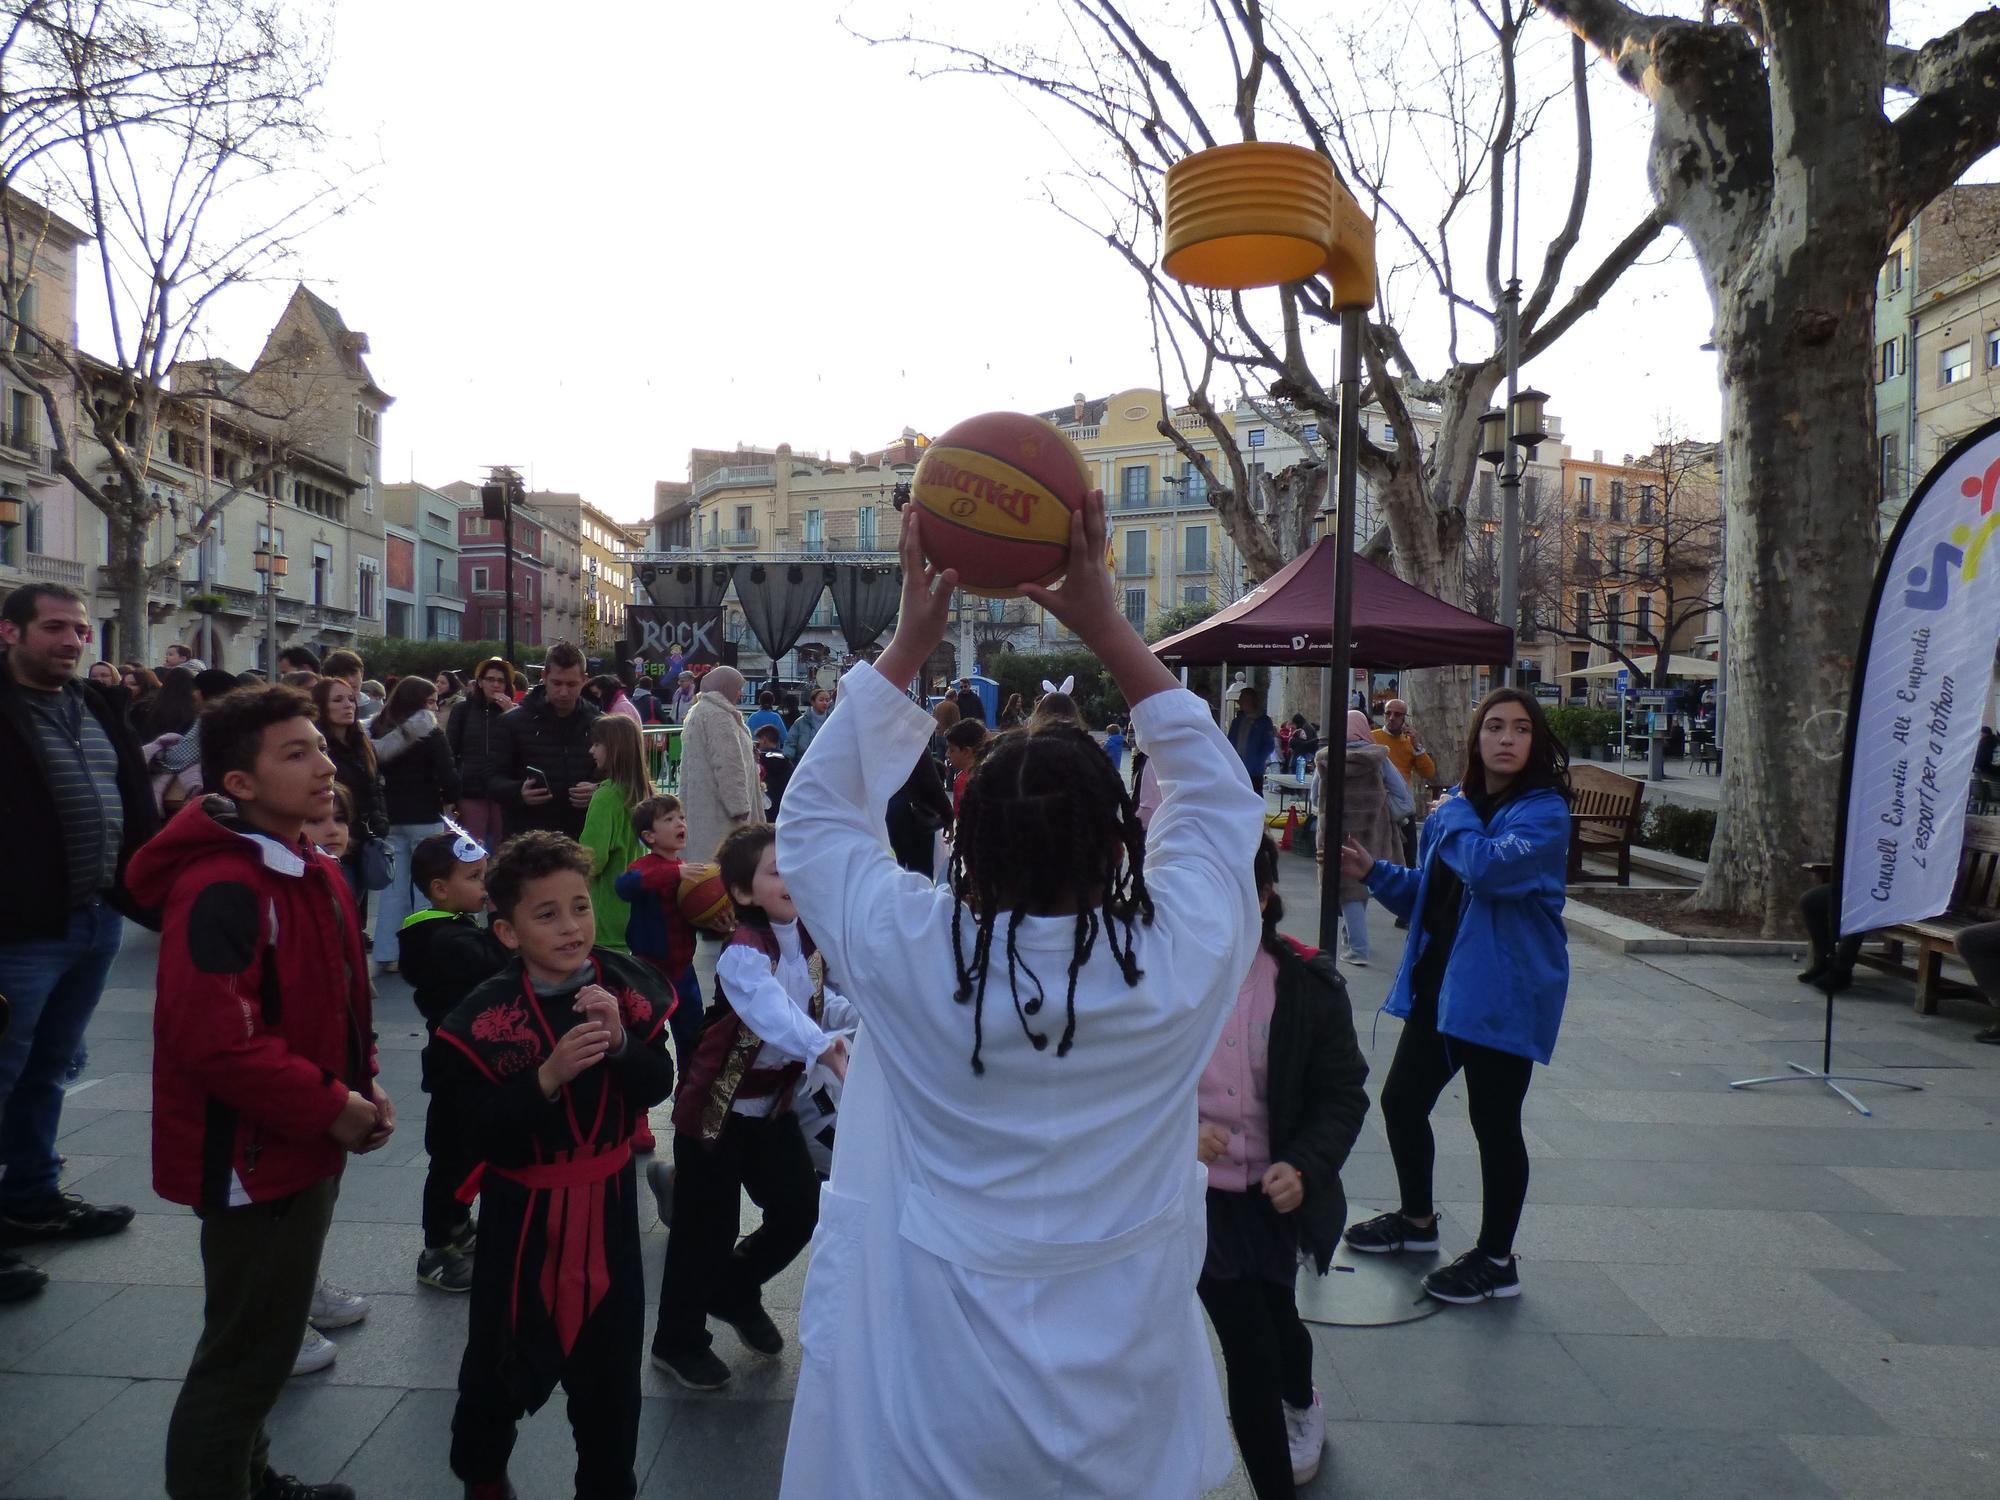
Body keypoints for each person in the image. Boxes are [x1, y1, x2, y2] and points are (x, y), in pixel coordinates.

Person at [774, 491, 1265, 1497]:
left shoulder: (914, 953)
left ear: (970, 841)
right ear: (1118, 841)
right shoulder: (1172, 962)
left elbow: (815, 820)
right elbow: (1218, 803)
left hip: (936, 1401)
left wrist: (908, 645)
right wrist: (1106, 625)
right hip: (1126, 1406)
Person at [128, 683, 389, 1500]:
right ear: (237, 783)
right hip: (251, 1153)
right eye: (296, 753)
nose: (322, 766)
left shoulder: (304, 864)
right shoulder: (225, 887)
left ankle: (251, 1475)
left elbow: (337, 992)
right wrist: (332, 1103)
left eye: (319, 746)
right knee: (244, 1354)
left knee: (266, 1336)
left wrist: (363, 1076)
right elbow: (215, 1041)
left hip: (299, 1138)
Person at [432, 832, 675, 1500]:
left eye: (580, 907)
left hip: (609, 1210)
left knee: (612, 1373)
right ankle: (483, 1475)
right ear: (508, 932)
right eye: (547, 915)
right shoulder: (483, 1017)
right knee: (497, 1362)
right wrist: (545, 1077)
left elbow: (658, 1082)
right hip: (523, 1221)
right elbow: (477, 1131)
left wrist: (624, 1043)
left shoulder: (624, 987)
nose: (572, 927)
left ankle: (607, 1484)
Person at [1337, 687, 1571, 1305]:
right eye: (1494, 727)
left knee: (1494, 1125)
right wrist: (1375, 873)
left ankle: (1497, 1260)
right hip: (1443, 991)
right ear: (1476, 739)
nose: (1505, 738)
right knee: (1401, 1102)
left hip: (1503, 995)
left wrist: (1455, 811)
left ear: (1536, 741)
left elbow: (1491, 872)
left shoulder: (1542, 814)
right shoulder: (1458, 814)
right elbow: (1435, 894)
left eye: (1521, 729)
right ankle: (1417, 1225)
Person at [651, 823, 856, 1392]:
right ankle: (677, 1341)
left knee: (799, 1209)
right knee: (702, 1232)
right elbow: (772, 1012)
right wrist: (824, 1048)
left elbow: (817, 1002)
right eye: (775, 869)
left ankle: (736, 1288)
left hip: (771, 1111)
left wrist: (864, 1015)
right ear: (743, 894)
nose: (790, 876)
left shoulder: (805, 944)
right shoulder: (743, 952)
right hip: (715, 1116)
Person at [1196, 836, 1369, 1498]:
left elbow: (1343, 1093)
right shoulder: (1153, 982)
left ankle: (1305, 1397)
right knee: (1249, 1347)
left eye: (1236, 890)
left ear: (1265, 897)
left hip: (1277, 1198)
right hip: (1198, 1199)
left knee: (1278, 1323)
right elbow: (1118, 1086)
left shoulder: (1306, 985)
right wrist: (1180, 1132)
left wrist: (1304, 1164)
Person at [0, 583, 157, 1305]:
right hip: (18, 931)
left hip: (94, 918)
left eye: (81, 630)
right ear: (11, 632)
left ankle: (31, 1197)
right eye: (55, 628)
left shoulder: (93, 705)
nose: (71, 641)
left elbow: (133, 798)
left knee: (48, 1069)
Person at [399, 828, 507, 1294]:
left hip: (470, 1067)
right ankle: (437, 1248)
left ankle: (459, 1228)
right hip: (456, 1070)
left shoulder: (452, 928)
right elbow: (493, 964)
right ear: (440, 890)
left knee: (467, 1154)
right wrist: (505, 922)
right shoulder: (441, 938)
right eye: (475, 877)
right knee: (452, 1159)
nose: (486, 886)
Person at [367, 677, 461, 971]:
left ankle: (386, 953)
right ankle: (425, 952)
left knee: (392, 891)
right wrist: (450, 801)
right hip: (425, 815)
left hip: (391, 817)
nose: (434, 705)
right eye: (431, 700)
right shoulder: (430, 732)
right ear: (421, 703)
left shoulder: (375, 732)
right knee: (426, 888)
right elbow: (449, 774)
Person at [616, 794, 708, 1064]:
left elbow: (694, 915)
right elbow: (625, 886)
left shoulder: (685, 870)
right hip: (648, 971)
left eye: (681, 817)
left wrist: (719, 922)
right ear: (650, 836)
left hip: (684, 969)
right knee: (646, 1033)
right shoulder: (644, 868)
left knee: (693, 1035)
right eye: (669, 819)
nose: (680, 823)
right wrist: (674, 874)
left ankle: (690, 1092)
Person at [1315, 710, 1407, 967]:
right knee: (1360, 884)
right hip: (1370, 834)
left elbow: (1314, 797)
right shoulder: (1379, 759)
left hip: (1335, 833)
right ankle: (1351, 939)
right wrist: (1383, 809)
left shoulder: (1326, 759)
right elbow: (1404, 796)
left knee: (1346, 889)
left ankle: (1358, 948)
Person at [488, 641, 602, 840]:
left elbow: (623, 780)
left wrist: (599, 792)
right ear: (544, 678)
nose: (564, 692)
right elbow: (491, 778)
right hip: (528, 839)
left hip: (582, 838)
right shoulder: (511, 723)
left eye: (571, 684)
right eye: (557, 683)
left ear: (584, 680)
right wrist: (519, 793)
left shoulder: (600, 724)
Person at [311, 675, 386, 926]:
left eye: (351, 699)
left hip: (362, 842)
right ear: (322, 705)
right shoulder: (320, 749)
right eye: (338, 700)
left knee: (353, 915)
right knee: (338, 915)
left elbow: (374, 789)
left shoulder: (361, 744)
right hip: (332, 844)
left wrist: (379, 822)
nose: (348, 705)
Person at [580, 713, 655, 955]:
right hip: (637, 909)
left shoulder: (606, 796)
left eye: (597, 744)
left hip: (606, 913)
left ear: (613, 748)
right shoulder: (645, 793)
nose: (591, 750)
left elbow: (593, 857)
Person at [679, 663, 762, 862]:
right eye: (738, 688)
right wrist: (739, 806)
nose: (740, 694)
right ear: (726, 687)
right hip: (721, 813)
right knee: (722, 867)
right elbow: (728, 764)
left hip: (704, 805)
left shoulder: (701, 711)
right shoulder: (718, 716)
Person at [448, 657, 515, 850]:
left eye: (500, 680)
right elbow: (451, 747)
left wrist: (510, 713)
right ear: (480, 682)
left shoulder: (514, 712)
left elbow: (520, 746)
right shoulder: (463, 709)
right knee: (472, 844)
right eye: (490, 679)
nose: (495, 684)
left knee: (504, 844)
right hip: (471, 787)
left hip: (503, 788)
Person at [1373, 698, 1437, 864]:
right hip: (1378, 805)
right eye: (1388, 713)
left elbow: (1428, 772)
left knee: (1408, 856)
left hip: (1402, 807)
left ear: (1404, 718)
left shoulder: (1409, 742)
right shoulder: (1373, 738)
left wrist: (1417, 746)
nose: (1392, 717)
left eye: (1397, 714)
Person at [1228, 686, 1278, 795]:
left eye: (1243, 700)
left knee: (1255, 795)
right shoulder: (1237, 721)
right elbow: (1229, 742)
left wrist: (1257, 761)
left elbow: (1269, 745)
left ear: (1251, 701)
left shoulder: (1264, 722)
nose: (1240, 703)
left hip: (1254, 769)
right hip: (1236, 767)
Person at [943, 716, 986, 821]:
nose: (947, 754)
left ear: (966, 751)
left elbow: (962, 820)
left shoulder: (963, 781)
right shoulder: (988, 774)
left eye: (951, 750)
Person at [785, 686, 834, 762]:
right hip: (802, 762)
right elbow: (790, 743)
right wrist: (787, 758)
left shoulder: (832, 722)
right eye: (821, 700)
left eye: (827, 700)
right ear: (813, 702)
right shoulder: (800, 722)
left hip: (826, 762)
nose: (825, 703)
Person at [755, 723, 793, 819]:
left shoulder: (757, 761)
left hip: (763, 809)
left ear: (764, 740)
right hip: (784, 809)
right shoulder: (787, 762)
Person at [433, 669, 466, 735]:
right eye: (437, 682)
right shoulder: (434, 702)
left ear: (451, 685)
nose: (438, 685)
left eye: (443, 683)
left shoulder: (460, 702)